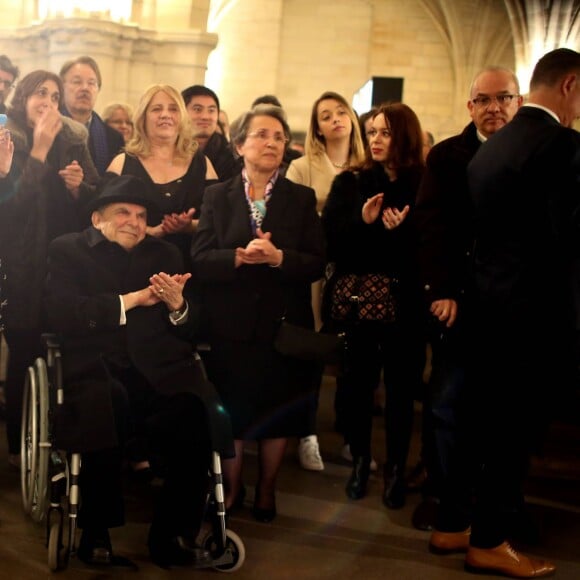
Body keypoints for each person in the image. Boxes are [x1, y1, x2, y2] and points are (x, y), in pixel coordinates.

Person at [430, 48, 580, 578]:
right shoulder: (560, 145)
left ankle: (454, 524)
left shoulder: (493, 149)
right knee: (512, 433)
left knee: (477, 422)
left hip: (489, 307)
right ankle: (490, 540)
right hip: (532, 316)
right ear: (569, 84)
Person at [44, 174, 232, 569]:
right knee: (107, 400)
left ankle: (172, 535)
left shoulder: (164, 255)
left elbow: (195, 323)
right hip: (96, 367)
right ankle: (95, 532)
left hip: (159, 371)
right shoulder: (68, 251)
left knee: (197, 408)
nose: (134, 221)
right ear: (97, 219)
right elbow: (61, 314)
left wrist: (178, 306)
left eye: (141, 215)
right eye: (123, 212)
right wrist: (129, 301)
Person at [191, 104, 325, 523]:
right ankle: (232, 488)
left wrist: (279, 256)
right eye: (262, 135)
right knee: (232, 411)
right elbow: (198, 258)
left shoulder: (300, 198)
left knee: (276, 411)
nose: (271, 143)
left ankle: (267, 488)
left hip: (282, 323)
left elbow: (317, 262)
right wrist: (237, 257)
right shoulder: (218, 194)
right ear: (240, 144)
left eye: (279, 137)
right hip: (230, 325)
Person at [412, 66, 523, 531]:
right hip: (459, 301)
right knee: (446, 402)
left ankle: (496, 505)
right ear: (470, 106)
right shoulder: (447, 157)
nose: (494, 107)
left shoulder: (534, 153)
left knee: (504, 411)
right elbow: (431, 227)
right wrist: (441, 290)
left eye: (504, 98)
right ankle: (443, 496)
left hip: (515, 306)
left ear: (518, 103)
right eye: (484, 99)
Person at [321, 102, 426, 508]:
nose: (376, 139)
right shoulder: (352, 182)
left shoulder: (424, 183)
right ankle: (362, 462)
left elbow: (432, 248)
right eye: (373, 132)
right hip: (359, 305)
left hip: (407, 308)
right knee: (358, 387)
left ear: (404, 136)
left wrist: (404, 232)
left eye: (385, 132)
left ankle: (397, 469)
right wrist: (363, 224)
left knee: (401, 392)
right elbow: (332, 244)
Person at [0, 70, 98, 468]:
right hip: (21, 267)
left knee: (64, 353)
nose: (49, 101)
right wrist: (37, 152)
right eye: (40, 93)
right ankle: (16, 447)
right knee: (24, 352)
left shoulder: (74, 141)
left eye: (55, 95)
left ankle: (58, 440)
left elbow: (95, 206)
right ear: (22, 99)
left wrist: (79, 187)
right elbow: (11, 213)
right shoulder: (9, 140)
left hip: (65, 267)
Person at [286, 90, 366, 472]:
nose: (335, 119)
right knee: (314, 354)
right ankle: (307, 434)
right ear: (316, 127)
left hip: (356, 271)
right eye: (324, 115)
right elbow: (291, 220)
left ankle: (353, 435)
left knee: (355, 356)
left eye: (340, 112)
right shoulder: (303, 167)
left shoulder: (369, 165)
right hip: (319, 271)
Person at [107, 84, 218, 270]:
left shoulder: (203, 163)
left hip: (191, 268)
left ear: (181, 117)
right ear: (143, 118)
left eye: (173, 109)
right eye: (156, 109)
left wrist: (189, 226)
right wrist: (149, 231)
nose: (165, 115)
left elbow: (219, 220)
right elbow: (102, 220)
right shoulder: (122, 163)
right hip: (132, 267)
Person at [60, 55, 124, 175]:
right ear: (62, 87)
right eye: (77, 82)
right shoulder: (47, 129)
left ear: (98, 89)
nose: (85, 88)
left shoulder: (114, 138)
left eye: (91, 83)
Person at [181, 85, 236, 181]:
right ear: (181, 112)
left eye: (211, 110)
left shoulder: (231, 155)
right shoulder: (167, 150)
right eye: (197, 109)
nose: (205, 117)